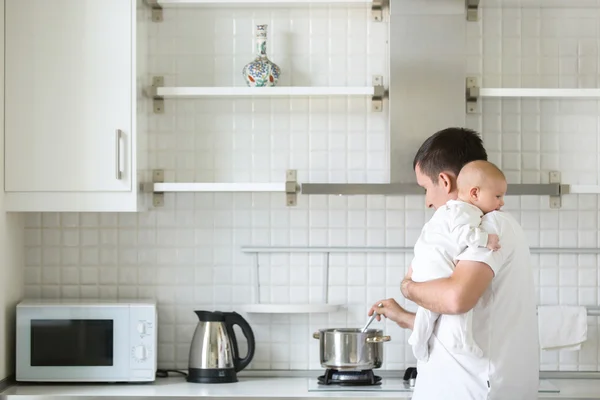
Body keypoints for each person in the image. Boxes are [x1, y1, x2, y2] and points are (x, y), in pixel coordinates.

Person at [369, 127, 539, 400]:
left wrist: (408, 287)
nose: (427, 201)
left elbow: (456, 299)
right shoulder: (477, 227)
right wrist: (404, 317)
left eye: (425, 188)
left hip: (474, 391)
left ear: (445, 181)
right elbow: (466, 323)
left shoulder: (491, 225)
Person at [408, 160, 507, 362]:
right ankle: (464, 341)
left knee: (428, 312)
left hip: (425, 268)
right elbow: (463, 235)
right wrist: (486, 239)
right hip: (439, 268)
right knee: (462, 306)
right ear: (475, 193)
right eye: (498, 196)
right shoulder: (466, 211)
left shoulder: (451, 210)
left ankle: (418, 340)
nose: (502, 202)